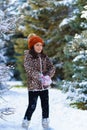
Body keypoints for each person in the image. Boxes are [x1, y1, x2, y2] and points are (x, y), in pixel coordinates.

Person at [22, 33, 55, 129]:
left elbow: (51, 67)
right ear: (32, 46)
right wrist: (40, 77)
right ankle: (25, 122)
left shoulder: (44, 56)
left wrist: (48, 76)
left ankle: (45, 124)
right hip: (34, 86)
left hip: (44, 86)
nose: (40, 47)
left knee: (45, 105)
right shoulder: (29, 57)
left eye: (41, 45)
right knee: (32, 105)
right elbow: (29, 69)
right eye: (37, 45)